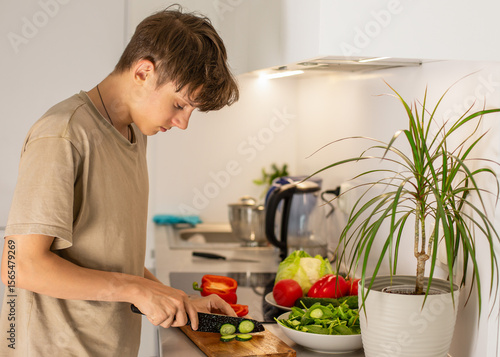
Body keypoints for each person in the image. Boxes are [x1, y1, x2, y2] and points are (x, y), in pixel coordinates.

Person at [0, 6, 239, 357]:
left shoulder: (134, 132)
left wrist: (181, 302)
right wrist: (136, 290)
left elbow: (111, 254)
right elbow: (17, 264)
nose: (183, 122)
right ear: (143, 72)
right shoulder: (63, 134)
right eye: (179, 104)